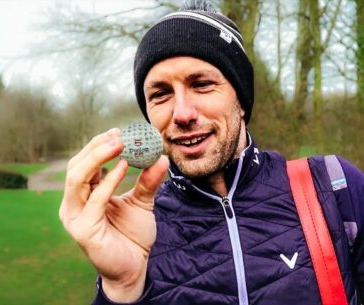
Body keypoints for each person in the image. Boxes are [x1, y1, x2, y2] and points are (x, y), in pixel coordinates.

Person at [59, 1, 364, 304]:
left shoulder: (335, 187)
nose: (182, 113)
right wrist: (122, 288)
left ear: (241, 101)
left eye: (202, 84)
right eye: (161, 94)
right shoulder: (139, 230)